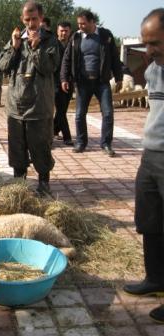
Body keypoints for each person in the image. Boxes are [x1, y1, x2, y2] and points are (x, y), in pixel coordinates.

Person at [123, 8, 164, 324]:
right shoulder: (152, 71)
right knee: (149, 220)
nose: (149, 50)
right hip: (150, 155)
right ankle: (155, 278)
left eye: (155, 43)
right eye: (146, 43)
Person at [0, 1, 59, 195]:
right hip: (16, 105)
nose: (31, 24)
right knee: (17, 147)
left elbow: (49, 68)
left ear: (41, 18)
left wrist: (36, 47)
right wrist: (15, 48)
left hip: (39, 105)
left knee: (40, 146)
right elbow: (2, 66)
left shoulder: (50, 40)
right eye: (27, 19)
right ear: (22, 19)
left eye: (34, 19)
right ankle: (19, 183)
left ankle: (43, 183)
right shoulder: (16, 38)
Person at [61, 10, 122, 157]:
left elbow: (114, 57)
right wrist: (64, 78)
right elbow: (66, 59)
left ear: (92, 22)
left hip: (102, 82)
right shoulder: (75, 37)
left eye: (83, 23)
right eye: (79, 24)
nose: (80, 26)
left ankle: (106, 144)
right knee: (79, 115)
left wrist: (119, 77)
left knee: (108, 114)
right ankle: (81, 143)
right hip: (82, 83)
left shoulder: (105, 36)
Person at [53, 21, 74, 146]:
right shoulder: (53, 45)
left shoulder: (73, 45)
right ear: (57, 31)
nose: (64, 33)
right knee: (61, 110)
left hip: (69, 83)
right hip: (55, 82)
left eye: (66, 31)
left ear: (70, 31)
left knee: (63, 110)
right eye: (61, 30)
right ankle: (67, 137)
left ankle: (53, 130)